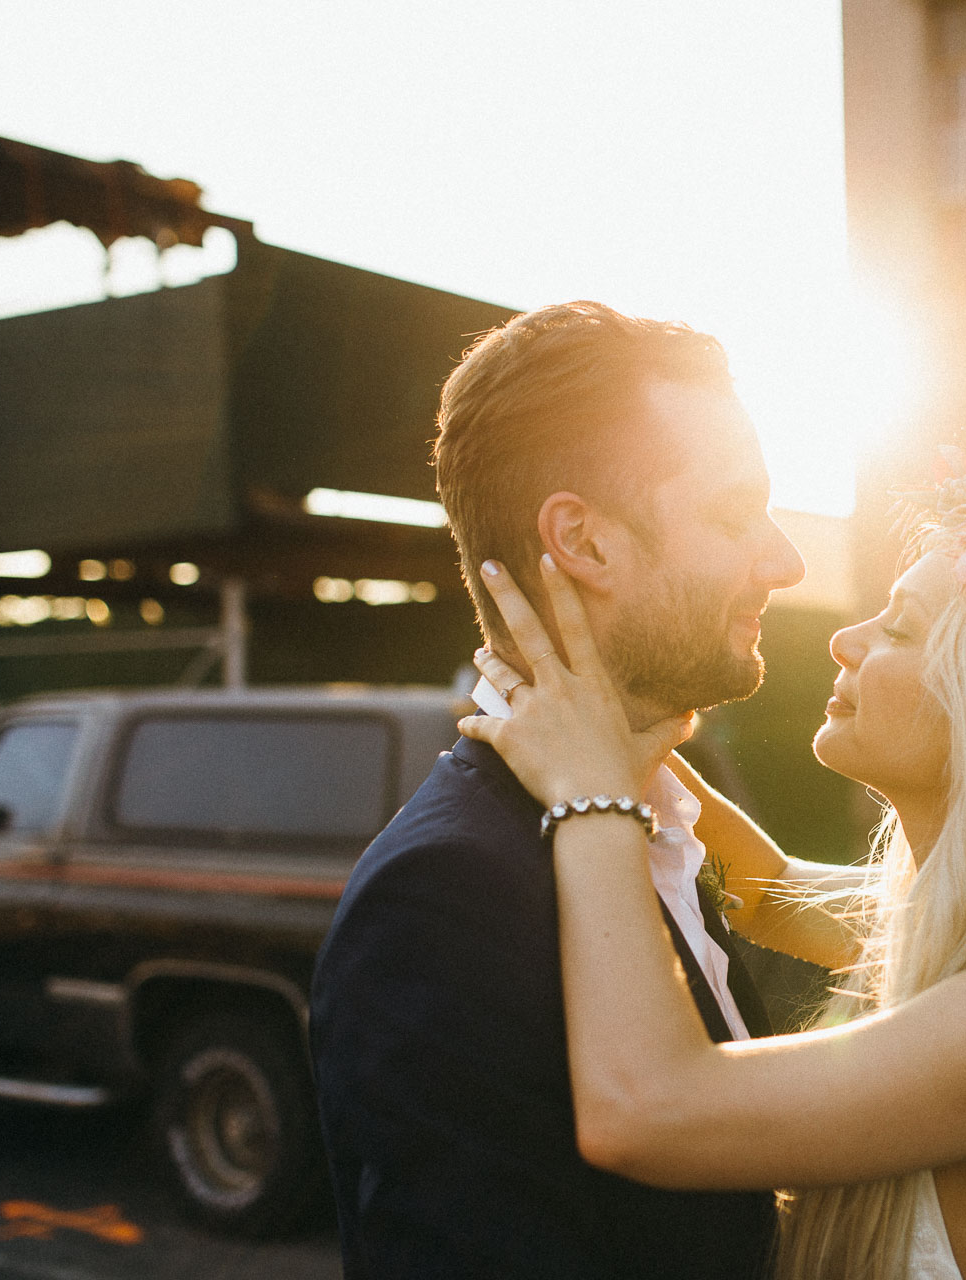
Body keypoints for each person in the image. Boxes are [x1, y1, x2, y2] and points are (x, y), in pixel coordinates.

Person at [460, 448, 966, 1280]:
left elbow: (642, 1110)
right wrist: (616, 702)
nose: (844, 641)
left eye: (901, 629)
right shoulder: (962, 935)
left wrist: (588, 794)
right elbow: (761, 891)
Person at [309, 301, 807, 1279]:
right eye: (732, 511)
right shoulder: (449, 894)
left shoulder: (661, 821)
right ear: (584, 542)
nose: (784, 558)